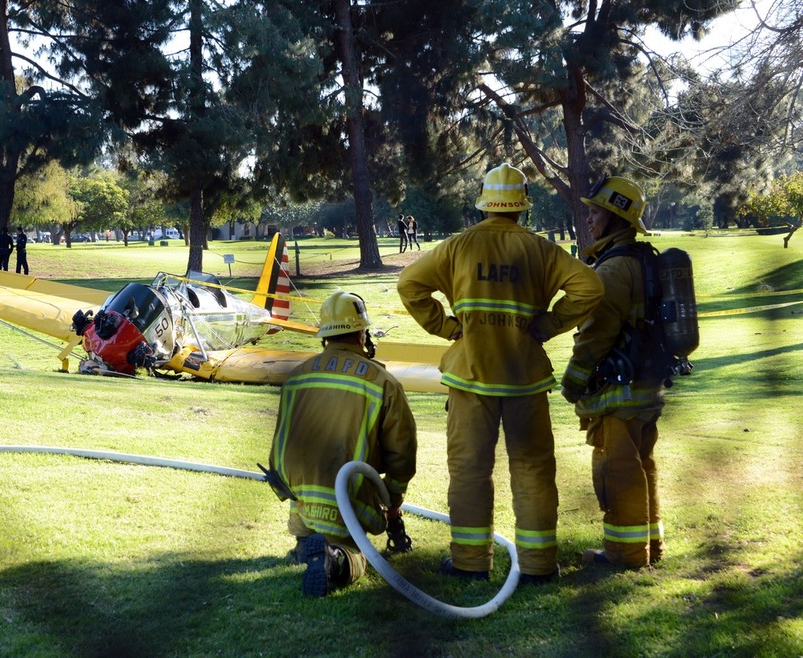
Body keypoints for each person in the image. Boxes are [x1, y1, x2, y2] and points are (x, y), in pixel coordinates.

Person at [397, 163, 604, 584]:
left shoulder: (458, 246)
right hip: (524, 377)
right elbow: (591, 287)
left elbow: (409, 284)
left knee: (471, 469)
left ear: (484, 202)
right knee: (533, 470)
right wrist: (545, 326)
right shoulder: (541, 249)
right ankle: (539, 565)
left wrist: (447, 327)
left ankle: (471, 563)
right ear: (523, 205)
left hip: (470, 376)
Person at [265, 291, 418, 597]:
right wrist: (395, 496)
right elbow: (402, 451)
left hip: (301, 494)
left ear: (324, 335)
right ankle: (335, 561)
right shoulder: (382, 382)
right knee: (358, 553)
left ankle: (307, 546)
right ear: (362, 334)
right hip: (349, 493)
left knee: (310, 539)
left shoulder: (296, 377)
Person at [560, 176, 666, 569]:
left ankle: (624, 554)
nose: (588, 220)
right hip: (648, 388)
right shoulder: (645, 261)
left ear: (616, 218)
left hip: (617, 392)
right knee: (643, 466)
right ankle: (650, 546)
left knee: (617, 470)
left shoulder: (612, 270)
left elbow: (595, 335)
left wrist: (572, 382)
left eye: (594, 213)